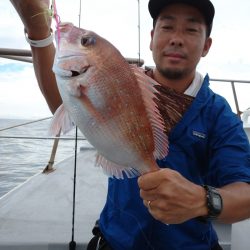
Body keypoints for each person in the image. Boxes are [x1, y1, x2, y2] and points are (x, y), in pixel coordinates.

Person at [10, 0, 250, 249]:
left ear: (206, 46)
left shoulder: (219, 113)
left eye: (191, 30)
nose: (176, 39)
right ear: (151, 38)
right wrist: (39, 35)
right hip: (114, 241)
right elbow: (65, 103)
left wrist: (203, 202)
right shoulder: (124, 83)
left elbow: (245, 192)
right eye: (167, 27)